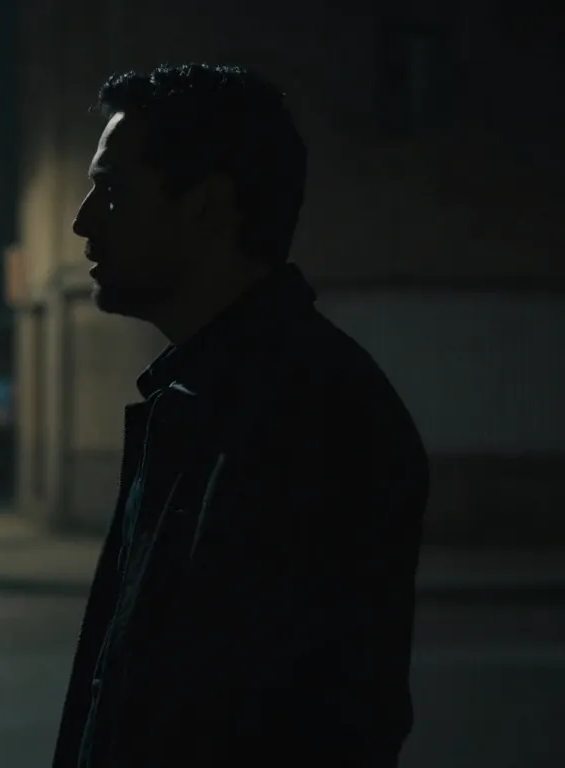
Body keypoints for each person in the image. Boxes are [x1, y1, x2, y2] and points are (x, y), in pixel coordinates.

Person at [53, 64, 429, 767]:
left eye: (112, 189)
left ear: (206, 205)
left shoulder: (311, 414)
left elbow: (317, 721)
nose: (82, 220)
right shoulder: (199, 394)